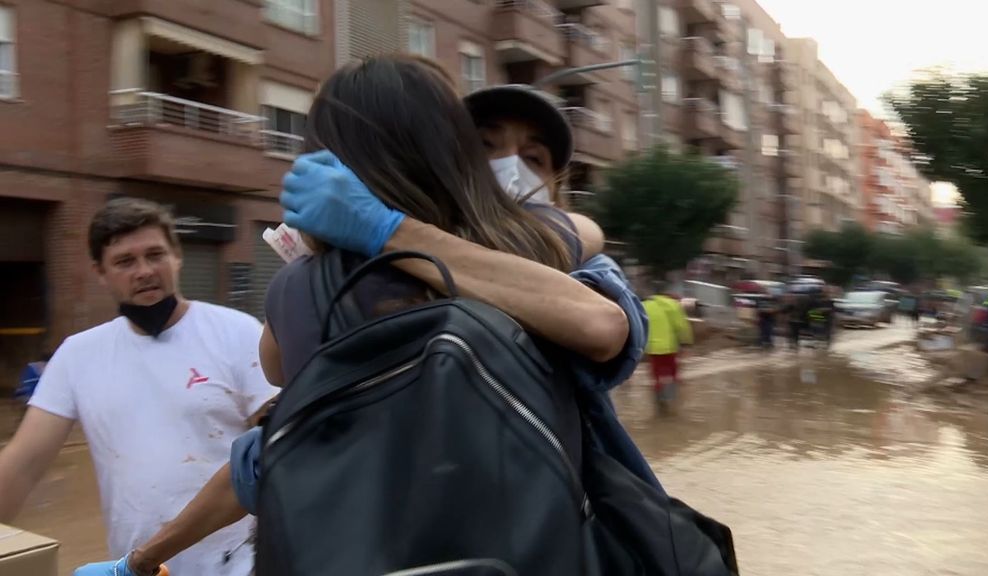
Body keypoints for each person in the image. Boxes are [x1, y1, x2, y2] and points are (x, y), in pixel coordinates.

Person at [75, 55, 649, 575]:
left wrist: (139, 562)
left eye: (531, 157)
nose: (512, 171)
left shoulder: (298, 292)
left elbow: (272, 411)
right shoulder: (535, 251)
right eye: (489, 146)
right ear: (452, 154)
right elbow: (606, 323)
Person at [0, 198, 279, 576]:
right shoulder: (78, 356)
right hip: (139, 568)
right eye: (125, 262)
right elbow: (24, 463)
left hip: (240, 563)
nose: (145, 271)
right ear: (100, 272)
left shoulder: (237, 333)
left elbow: (278, 449)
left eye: (155, 255)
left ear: (177, 256)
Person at [643, 283, 693, 405]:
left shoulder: (644, 306)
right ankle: (671, 401)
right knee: (672, 374)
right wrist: (686, 343)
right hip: (670, 348)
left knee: (656, 375)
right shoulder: (673, 305)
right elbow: (682, 326)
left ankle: (659, 402)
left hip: (651, 348)